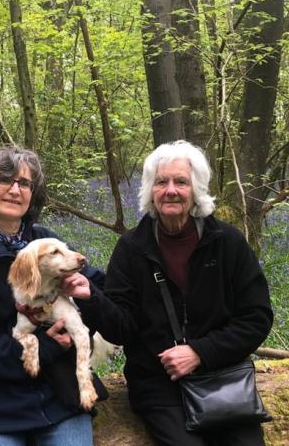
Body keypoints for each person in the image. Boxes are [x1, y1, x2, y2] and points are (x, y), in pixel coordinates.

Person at [71, 140, 274, 445]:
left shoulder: (227, 242)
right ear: (150, 190)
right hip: (158, 385)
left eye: (181, 182)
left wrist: (200, 352)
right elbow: (121, 328)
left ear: (196, 189)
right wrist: (92, 298)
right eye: (161, 182)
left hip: (222, 377)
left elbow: (256, 318)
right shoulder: (132, 248)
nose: (170, 190)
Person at [0, 146, 105, 445]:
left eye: (24, 183)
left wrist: (90, 296)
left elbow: (96, 287)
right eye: (4, 180)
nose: (15, 190)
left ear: (32, 194)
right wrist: (46, 348)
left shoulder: (47, 242)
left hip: (56, 397)